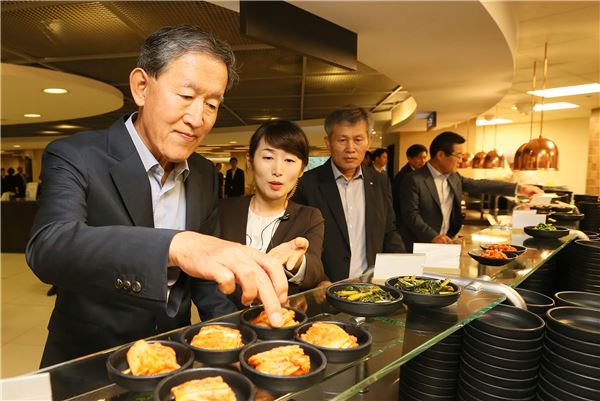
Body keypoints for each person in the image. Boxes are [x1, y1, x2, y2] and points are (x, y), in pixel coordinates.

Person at [26, 25, 287, 367]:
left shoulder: (205, 173)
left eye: (212, 104)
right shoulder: (75, 154)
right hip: (89, 359)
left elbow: (206, 283)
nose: (197, 119)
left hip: (173, 357)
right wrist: (176, 246)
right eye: (185, 96)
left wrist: (234, 340)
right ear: (141, 87)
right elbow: (49, 247)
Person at [217, 120, 326, 308]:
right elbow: (206, 282)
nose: (278, 171)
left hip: (282, 325)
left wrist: (298, 262)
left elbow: (315, 271)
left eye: (289, 160)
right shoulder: (223, 211)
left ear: (301, 170)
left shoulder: (309, 217)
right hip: (226, 327)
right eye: (268, 158)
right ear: (250, 162)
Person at [293, 106, 405, 284]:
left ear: (369, 141)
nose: (350, 148)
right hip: (326, 287)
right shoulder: (307, 184)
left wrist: (401, 269)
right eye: (342, 140)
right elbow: (299, 240)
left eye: (358, 139)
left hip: (372, 284)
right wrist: (319, 278)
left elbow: (389, 231)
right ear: (328, 142)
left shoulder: (380, 181)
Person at [399, 131, 543, 251]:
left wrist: (520, 188)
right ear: (441, 155)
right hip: (421, 245)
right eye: (459, 156)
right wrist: (433, 236)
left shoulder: (454, 176)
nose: (461, 161)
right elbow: (411, 215)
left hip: (447, 242)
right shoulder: (413, 179)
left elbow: (481, 185)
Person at [392, 144, 428, 228]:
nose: (423, 161)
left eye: (424, 158)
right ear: (409, 158)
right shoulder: (404, 176)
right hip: (405, 221)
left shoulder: (420, 173)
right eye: (419, 158)